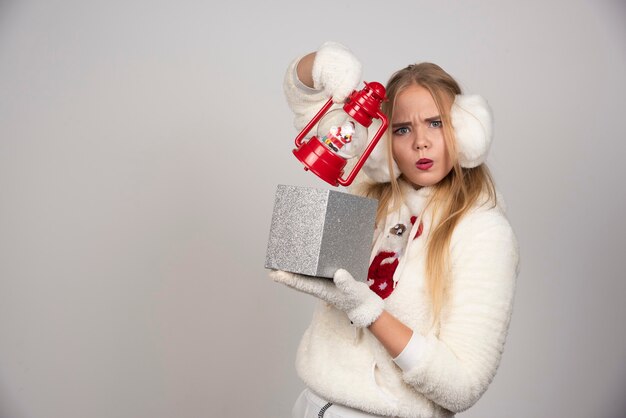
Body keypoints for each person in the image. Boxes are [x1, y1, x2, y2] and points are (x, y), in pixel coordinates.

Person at [270, 41, 520, 418]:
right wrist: (321, 64)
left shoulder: (485, 233)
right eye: (402, 129)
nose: (421, 141)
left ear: (466, 131)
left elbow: (462, 385)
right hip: (311, 405)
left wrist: (369, 310)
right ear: (385, 141)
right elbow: (307, 100)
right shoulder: (370, 197)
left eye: (436, 123)